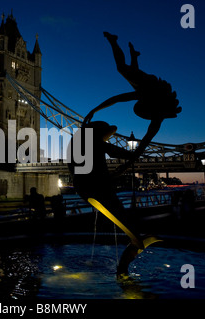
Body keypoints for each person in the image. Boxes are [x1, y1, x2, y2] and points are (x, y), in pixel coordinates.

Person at [70, 32, 182, 277]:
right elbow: (140, 141)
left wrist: (96, 110)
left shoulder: (148, 100)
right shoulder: (152, 107)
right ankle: (135, 241)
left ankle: (114, 42)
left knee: (124, 68)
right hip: (96, 185)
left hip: (90, 185)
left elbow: (118, 100)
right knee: (126, 69)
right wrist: (131, 157)